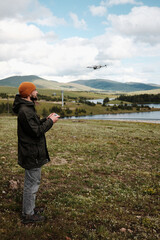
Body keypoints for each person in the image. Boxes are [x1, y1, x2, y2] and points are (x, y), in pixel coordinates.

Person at [13, 82, 59, 224]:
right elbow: (36, 131)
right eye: (34, 91)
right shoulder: (25, 111)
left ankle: (30, 209)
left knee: (32, 182)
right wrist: (51, 122)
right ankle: (28, 214)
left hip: (32, 151)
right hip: (31, 152)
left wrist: (46, 119)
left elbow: (34, 125)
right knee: (32, 184)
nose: (37, 92)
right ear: (28, 94)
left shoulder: (27, 108)